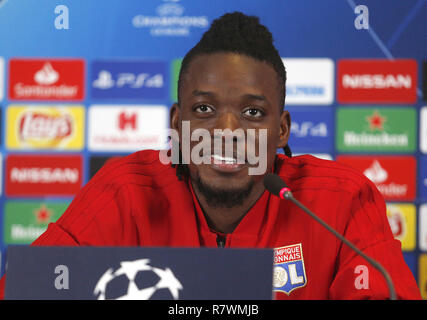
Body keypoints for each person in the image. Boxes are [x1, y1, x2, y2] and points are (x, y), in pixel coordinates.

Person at [0, 12, 421, 300]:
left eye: (252, 113)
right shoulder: (124, 192)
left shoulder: (342, 201)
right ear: (177, 122)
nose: (226, 132)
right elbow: (25, 289)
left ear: (282, 130)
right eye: (204, 110)